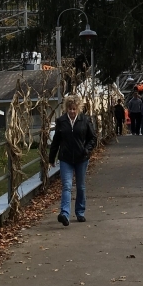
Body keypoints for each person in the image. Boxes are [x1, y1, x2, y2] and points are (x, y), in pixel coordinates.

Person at [49, 95, 97, 225]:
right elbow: (56, 141)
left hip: (81, 158)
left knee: (80, 186)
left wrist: (86, 149)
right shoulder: (61, 121)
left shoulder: (85, 120)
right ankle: (64, 214)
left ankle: (80, 212)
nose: (72, 111)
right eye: (70, 109)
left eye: (74, 109)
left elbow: (93, 138)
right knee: (67, 186)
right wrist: (51, 158)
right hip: (66, 158)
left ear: (78, 109)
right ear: (66, 109)